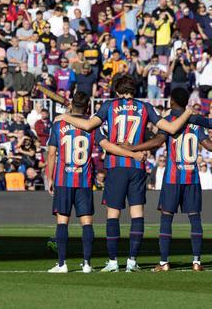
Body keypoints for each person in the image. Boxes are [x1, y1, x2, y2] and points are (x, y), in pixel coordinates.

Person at [57, 74, 194, 272]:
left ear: (117, 91)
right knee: (137, 213)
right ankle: (132, 261)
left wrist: (64, 117)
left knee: (113, 214)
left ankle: (113, 261)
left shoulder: (109, 106)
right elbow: (171, 128)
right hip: (137, 167)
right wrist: (187, 113)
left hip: (115, 165)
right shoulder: (145, 107)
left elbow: (87, 125)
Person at [131, 87, 212, 272]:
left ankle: (164, 263)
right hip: (192, 178)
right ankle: (197, 262)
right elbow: (209, 145)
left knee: (166, 218)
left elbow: (156, 141)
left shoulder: (170, 121)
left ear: (171, 101)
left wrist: (133, 148)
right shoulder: (195, 123)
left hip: (172, 177)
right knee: (195, 219)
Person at [45, 91, 141, 273]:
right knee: (87, 223)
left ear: (72, 105)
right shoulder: (92, 126)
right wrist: (132, 154)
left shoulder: (59, 124)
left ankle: (62, 264)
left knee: (62, 222)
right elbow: (107, 146)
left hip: (63, 180)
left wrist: (50, 177)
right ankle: (87, 264)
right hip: (84, 180)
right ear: (88, 107)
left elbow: (51, 153)